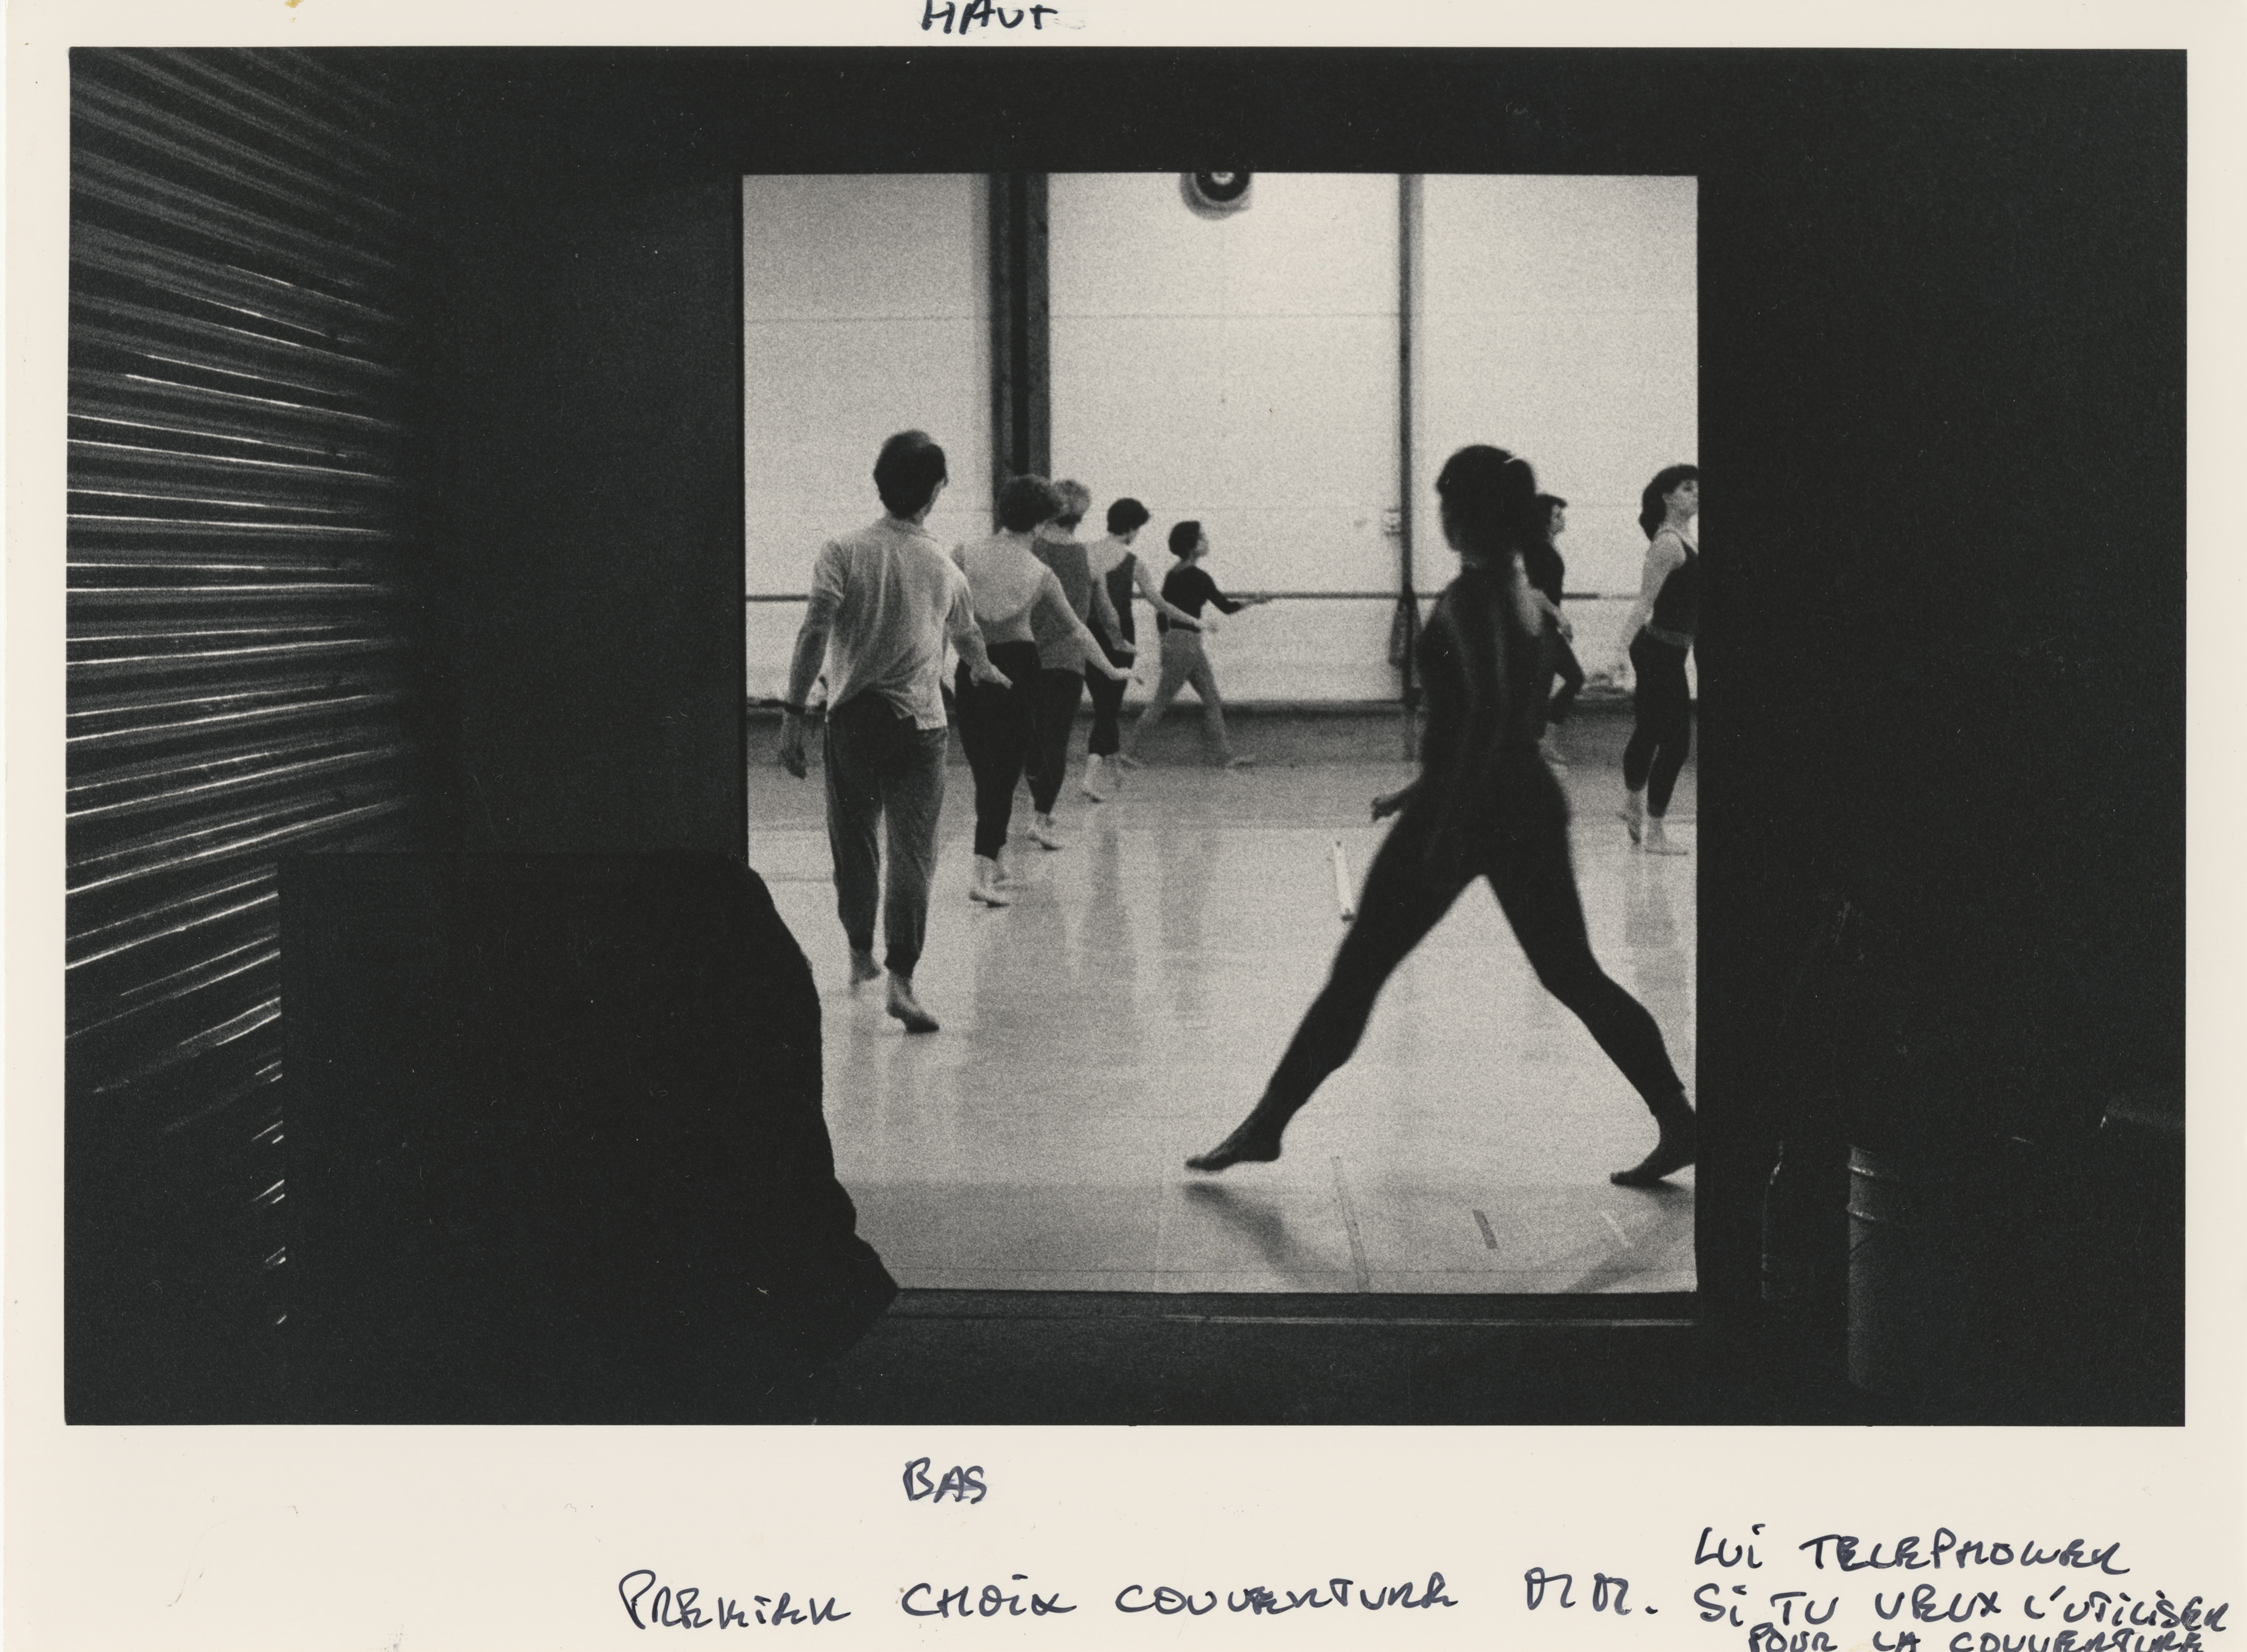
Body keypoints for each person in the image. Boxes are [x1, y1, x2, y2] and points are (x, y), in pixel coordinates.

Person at [1185, 445, 1696, 1189]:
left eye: (1443, 501)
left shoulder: (1477, 596)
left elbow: (1488, 712)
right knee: (1571, 972)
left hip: (1478, 804)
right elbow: (1496, 715)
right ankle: (1678, 1118)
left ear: (1463, 512)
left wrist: (1447, 820)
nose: (1439, 513)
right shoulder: (1515, 587)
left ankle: (1266, 1125)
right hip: (1514, 799)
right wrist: (1422, 791)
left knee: (1358, 972)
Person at [777, 431, 1012, 1035]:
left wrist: (792, 711)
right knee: (914, 852)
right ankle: (902, 981)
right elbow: (967, 637)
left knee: (854, 842)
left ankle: (861, 954)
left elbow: (814, 630)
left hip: (852, 719)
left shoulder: (842, 550)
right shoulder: (941, 564)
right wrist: (985, 669)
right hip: (921, 726)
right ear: (933, 492)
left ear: (878, 481)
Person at [953, 476, 1131, 905]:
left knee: (985, 772)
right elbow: (1077, 630)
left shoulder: (962, 554)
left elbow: (946, 618)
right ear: (1038, 523)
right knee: (1003, 772)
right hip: (1018, 668)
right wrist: (1110, 668)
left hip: (972, 667)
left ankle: (993, 860)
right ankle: (981, 871)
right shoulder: (1040, 572)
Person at [1021, 479, 1129, 849]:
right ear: (1081, 517)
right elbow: (1107, 611)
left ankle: (1037, 806)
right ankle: (1041, 815)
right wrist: (1117, 642)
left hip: (1025, 653)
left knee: (1031, 737)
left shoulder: (1030, 547)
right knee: (1055, 740)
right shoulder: (1089, 557)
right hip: (1067, 659)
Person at [1118, 521, 1274, 768]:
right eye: (1202, 538)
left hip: (1179, 642)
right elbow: (1227, 608)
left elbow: (1161, 612)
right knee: (1162, 701)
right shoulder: (1200, 577)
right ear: (1192, 546)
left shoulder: (1173, 574)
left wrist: (1164, 643)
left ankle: (1227, 758)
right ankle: (1129, 754)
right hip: (1187, 645)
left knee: (1212, 699)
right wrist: (1255, 601)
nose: (1207, 541)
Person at [1079, 496, 1205, 801]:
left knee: (1103, 703)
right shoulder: (1132, 562)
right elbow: (1159, 603)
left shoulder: (1085, 552)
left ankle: (1114, 767)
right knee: (1108, 709)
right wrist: (1194, 621)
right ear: (1132, 528)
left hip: (1087, 632)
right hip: (1120, 635)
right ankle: (1090, 777)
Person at [1616, 465, 1699, 856]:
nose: (1695, 493)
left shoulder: (1687, 538)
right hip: (1656, 652)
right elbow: (1643, 603)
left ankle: (1632, 804)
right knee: (1676, 743)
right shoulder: (1667, 543)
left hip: (1670, 651)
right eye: (1686, 488)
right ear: (1668, 497)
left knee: (1649, 731)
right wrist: (1618, 652)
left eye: (1697, 488)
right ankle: (1655, 832)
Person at [1524, 492, 1585, 768]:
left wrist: (1559, 620)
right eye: (1557, 515)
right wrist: (1560, 616)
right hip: (1538, 627)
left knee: (1574, 678)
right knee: (1541, 687)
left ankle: (1543, 740)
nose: (1563, 519)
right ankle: (1536, 747)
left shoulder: (1546, 548)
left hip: (1548, 627)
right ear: (1545, 520)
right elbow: (1533, 592)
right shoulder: (1537, 550)